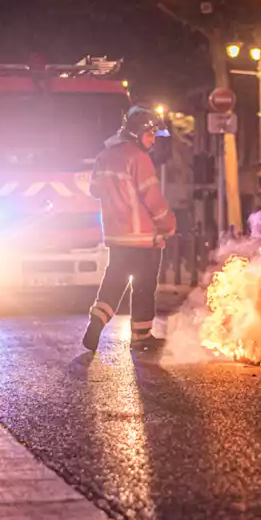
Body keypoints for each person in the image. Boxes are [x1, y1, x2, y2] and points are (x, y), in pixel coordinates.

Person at [83, 106, 176, 352]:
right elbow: (153, 199)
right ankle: (141, 337)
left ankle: (96, 323)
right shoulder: (138, 158)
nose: (153, 140)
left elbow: (94, 190)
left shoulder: (105, 156)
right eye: (149, 134)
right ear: (136, 134)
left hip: (116, 237)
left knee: (113, 282)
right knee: (144, 288)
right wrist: (168, 225)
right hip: (144, 238)